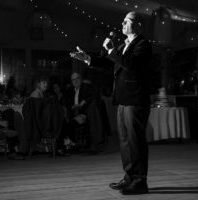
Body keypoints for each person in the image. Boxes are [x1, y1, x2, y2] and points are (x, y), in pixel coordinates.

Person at [70, 11, 153, 195]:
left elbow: (130, 64)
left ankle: (140, 182)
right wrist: (88, 59)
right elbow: (110, 63)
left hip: (135, 100)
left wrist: (111, 51)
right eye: (122, 20)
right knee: (124, 141)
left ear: (138, 24)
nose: (122, 23)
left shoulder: (143, 44)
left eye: (127, 21)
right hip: (123, 100)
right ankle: (130, 177)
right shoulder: (125, 44)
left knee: (135, 141)